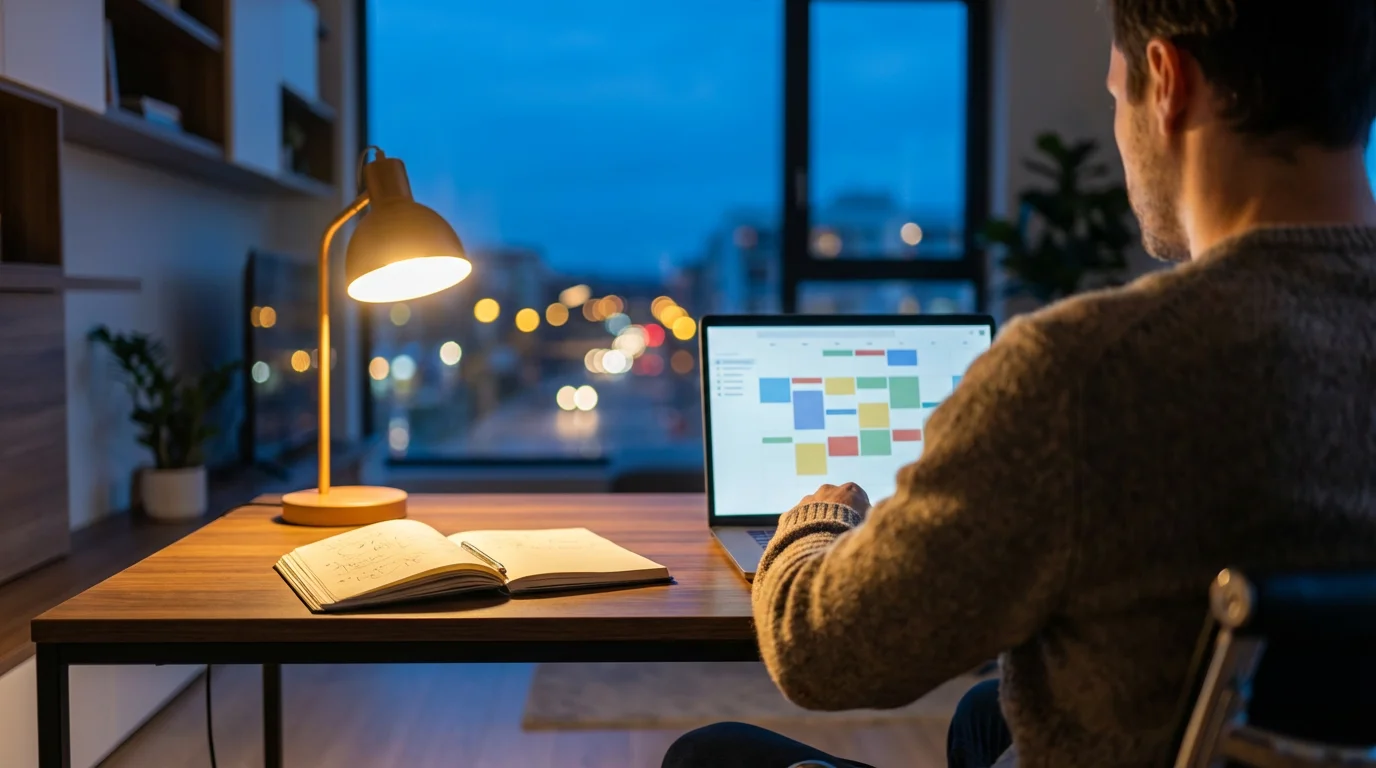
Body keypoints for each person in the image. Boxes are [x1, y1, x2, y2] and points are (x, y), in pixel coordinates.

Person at [663, 1, 1376, 767]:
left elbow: (821, 652)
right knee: (987, 714)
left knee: (713, 756)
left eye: (1115, 96)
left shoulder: (1081, 374)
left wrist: (814, 524)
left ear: (1166, 81)